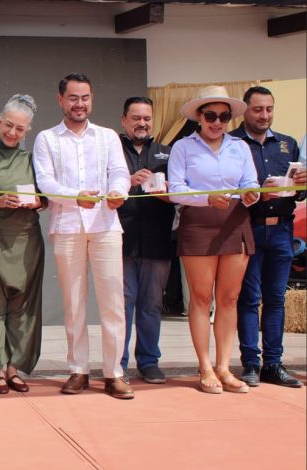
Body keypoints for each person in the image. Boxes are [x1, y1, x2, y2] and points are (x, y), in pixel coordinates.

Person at [33, 73, 133, 400]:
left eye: (85, 97)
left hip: (105, 225)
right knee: (74, 303)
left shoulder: (107, 137)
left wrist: (119, 191)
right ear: (61, 100)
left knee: (113, 301)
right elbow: (45, 182)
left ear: (92, 99)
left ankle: (114, 373)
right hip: (66, 227)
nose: (80, 104)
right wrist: (76, 196)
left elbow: (119, 173)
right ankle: (78, 369)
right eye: (74, 98)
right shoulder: (47, 139)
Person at [168, 85, 259, 394]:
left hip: (236, 220)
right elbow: (175, 189)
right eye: (211, 115)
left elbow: (250, 182)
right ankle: (205, 366)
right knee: (202, 297)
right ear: (199, 116)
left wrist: (251, 193)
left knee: (230, 298)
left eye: (224, 116)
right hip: (199, 222)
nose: (217, 122)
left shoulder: (240, 147)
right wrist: (206, 198)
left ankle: (224, 366)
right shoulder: (182, 147)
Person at [232, 86, 305, 388]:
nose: (264, 115)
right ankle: (251, 363)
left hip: (282, 229)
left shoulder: (287, 144)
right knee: (249, 299)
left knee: (276, 299)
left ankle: (273, 364)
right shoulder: (232, 143)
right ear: (246, 110)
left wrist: (302, 183)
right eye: (258, 109)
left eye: (269, 109)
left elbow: (299, 192)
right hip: (246, 228)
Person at [0, 94, 44, 395]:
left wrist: (39, 202)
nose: (13, 133)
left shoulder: (31, 159)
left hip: (27, 239)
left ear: (28, 131)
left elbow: (47, 197)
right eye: (9, 125)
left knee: (24, 307)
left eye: (20, 129)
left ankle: (16, 367)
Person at [117, 97, 174, 384]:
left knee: (151, 304)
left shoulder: (167, 152)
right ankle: (118, 364)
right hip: (120, 240)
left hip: (157, 241)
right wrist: (128, 180)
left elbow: (179, 192)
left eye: (147, 118)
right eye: (136, 118)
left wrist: (168, 192)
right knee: (122, 305)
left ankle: (149, 361)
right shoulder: (111, 150)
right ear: (124, 120)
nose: (142, 123)